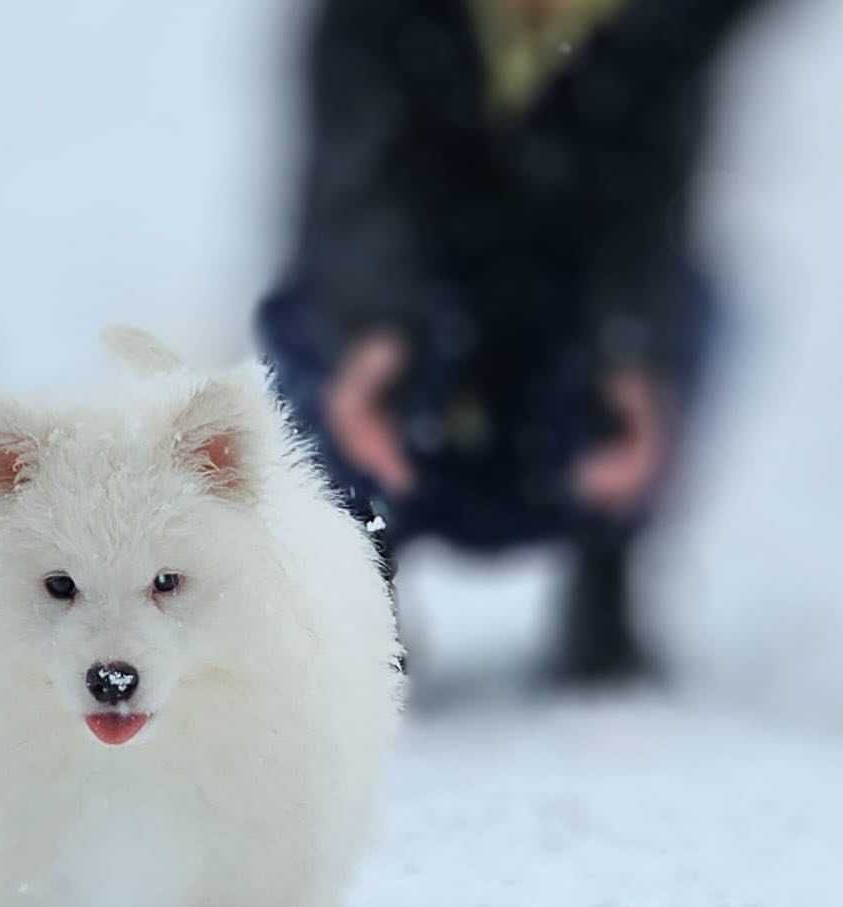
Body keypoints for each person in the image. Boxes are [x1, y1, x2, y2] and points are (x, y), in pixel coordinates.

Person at [258, 0, 767, 684]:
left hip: (566, 346)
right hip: (418, 342)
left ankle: (609, 566)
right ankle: (361, 586)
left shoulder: (665, 23)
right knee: (307, 317)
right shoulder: (371, 17)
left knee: (699, 306)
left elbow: (654, 216)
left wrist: (635, 355)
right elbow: (349, 194)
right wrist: (375, 329)